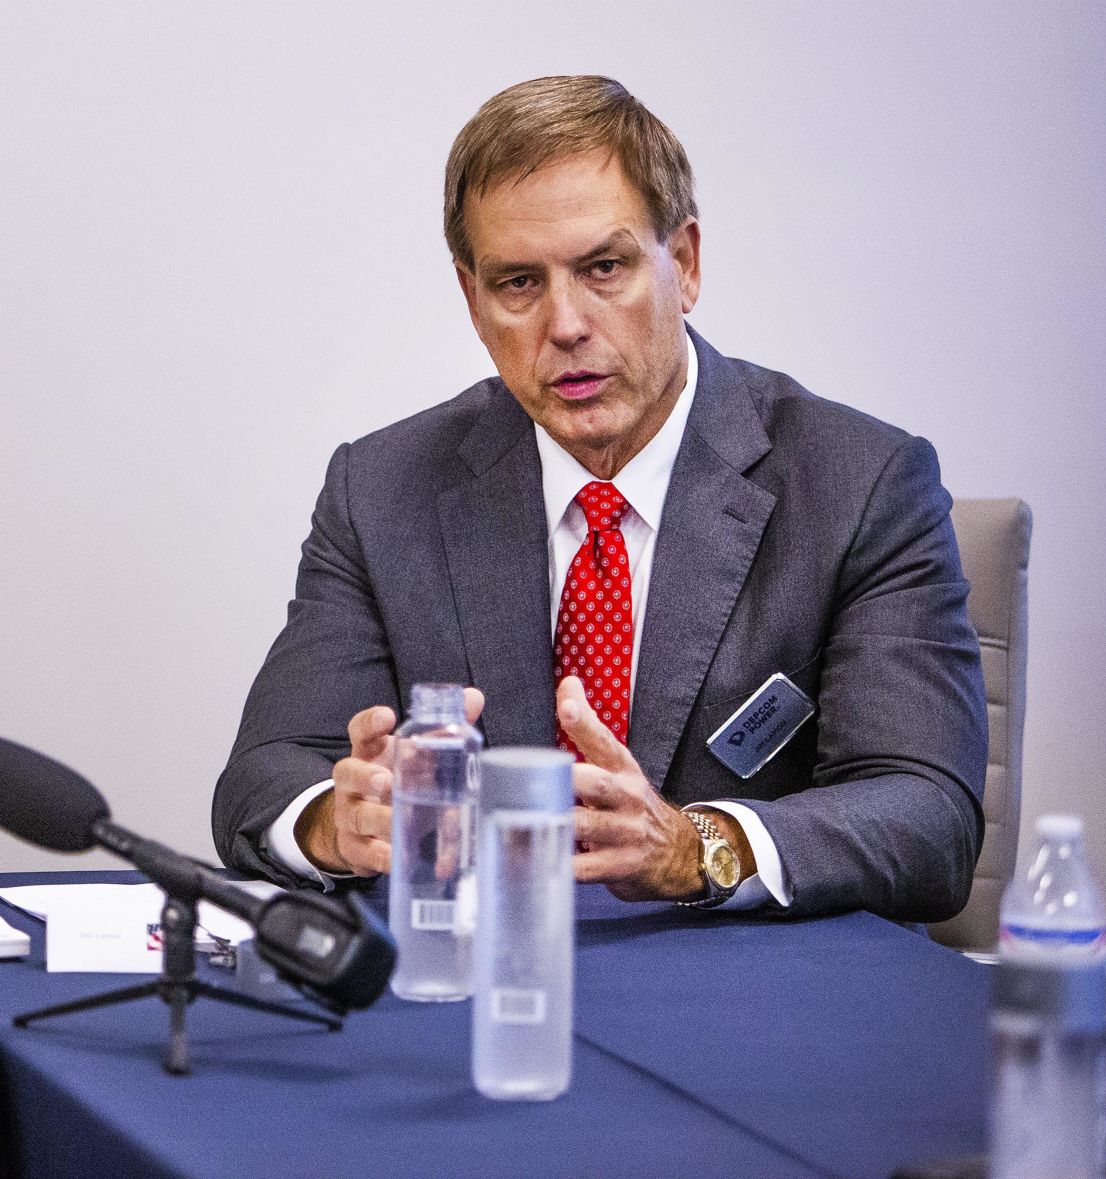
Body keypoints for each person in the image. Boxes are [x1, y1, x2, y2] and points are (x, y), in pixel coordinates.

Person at [212, 75, 987, 921]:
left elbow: (927, 816)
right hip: (479, 996)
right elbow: (264, 775)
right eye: (518, 283)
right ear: (473, 302)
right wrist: (340, 820)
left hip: (752, 1004)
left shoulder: (861, 485)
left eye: (604, 267)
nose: (567, 323)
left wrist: (699, 846)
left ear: (684, 264)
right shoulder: (383, 488)